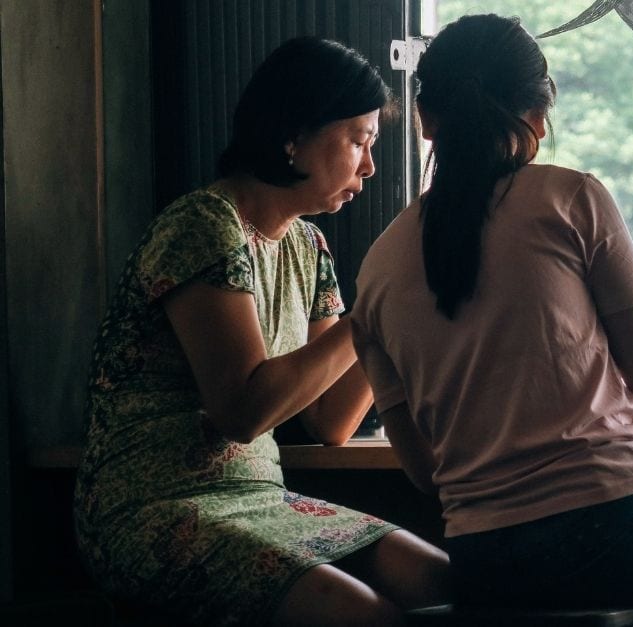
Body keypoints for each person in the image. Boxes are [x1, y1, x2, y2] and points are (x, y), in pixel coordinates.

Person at [351, 14, 633, 627]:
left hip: (483, 559)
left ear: (425, 120)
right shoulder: (570, 200)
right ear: (537, 120)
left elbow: (424, 470)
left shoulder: (375, 271)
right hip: (616, 515)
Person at [74, 36, 449, 626]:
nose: (371, 166)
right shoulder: (204, 226)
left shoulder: (308, 244)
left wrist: (396, 314)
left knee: (441, 582)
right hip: (151, 506)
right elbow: (243, 412)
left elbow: (332, 422)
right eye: (359, 141)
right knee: (365, 615)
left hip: (258, 501)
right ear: (294, 136)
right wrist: (368, 315)